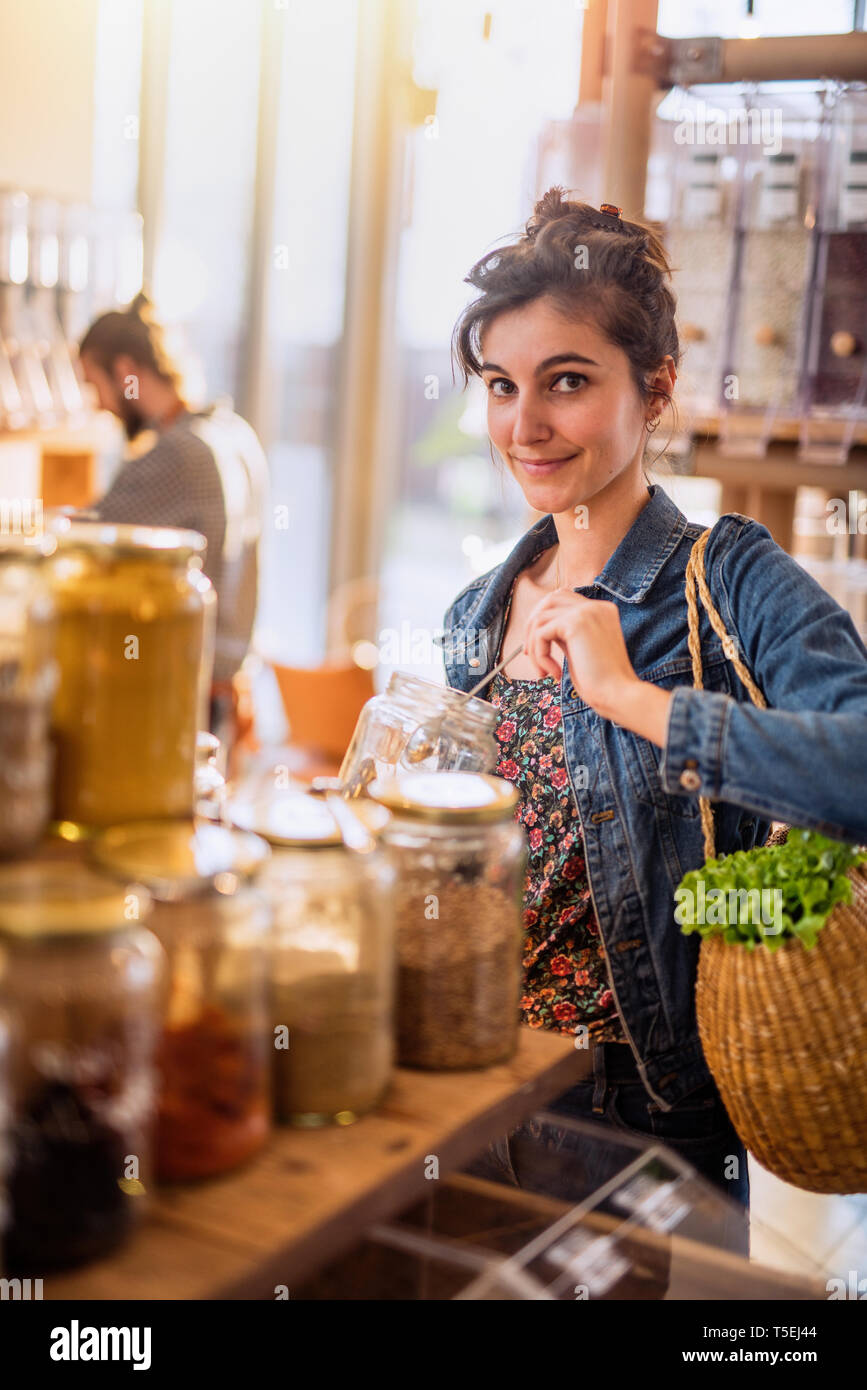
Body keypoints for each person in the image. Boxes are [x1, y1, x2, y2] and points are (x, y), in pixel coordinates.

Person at [442, 188, 867, 1256]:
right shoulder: (477, 613)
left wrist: (632, 699)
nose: (524, 426)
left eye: (567, 383)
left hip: (642, 1129)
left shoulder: (730, 578)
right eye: (501, 386)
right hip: (463, 1102)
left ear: (658, 389)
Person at [77, 293, 268, 746]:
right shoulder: (233, 432)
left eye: (93, 383)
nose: (98, 404)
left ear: (125, 373)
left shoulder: (179, 453)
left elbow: (82, 538)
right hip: (229, 680)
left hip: (185, 684)